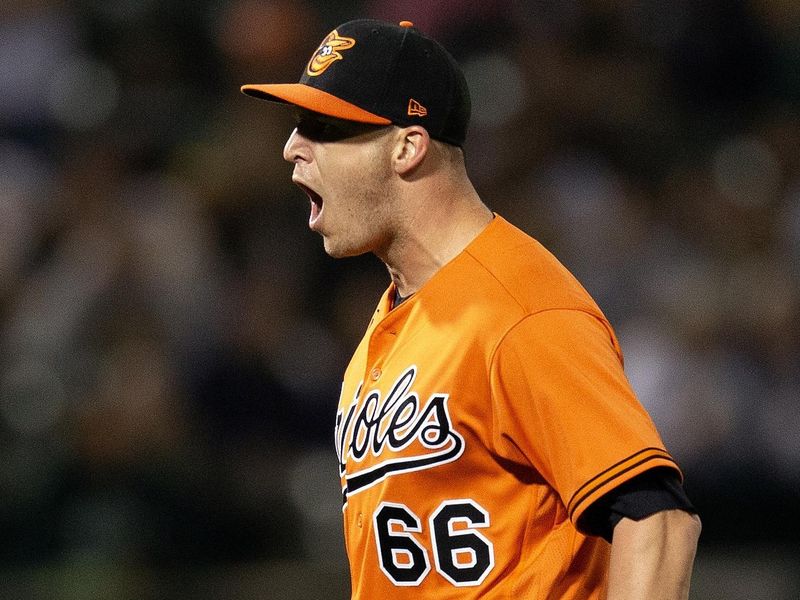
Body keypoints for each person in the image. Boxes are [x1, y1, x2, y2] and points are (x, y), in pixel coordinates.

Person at [241, 18, 701, 599]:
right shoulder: (388, 323)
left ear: (408, 146)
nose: (291, 148)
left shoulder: (521, 311)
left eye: (325, 128)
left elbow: (657, 523)